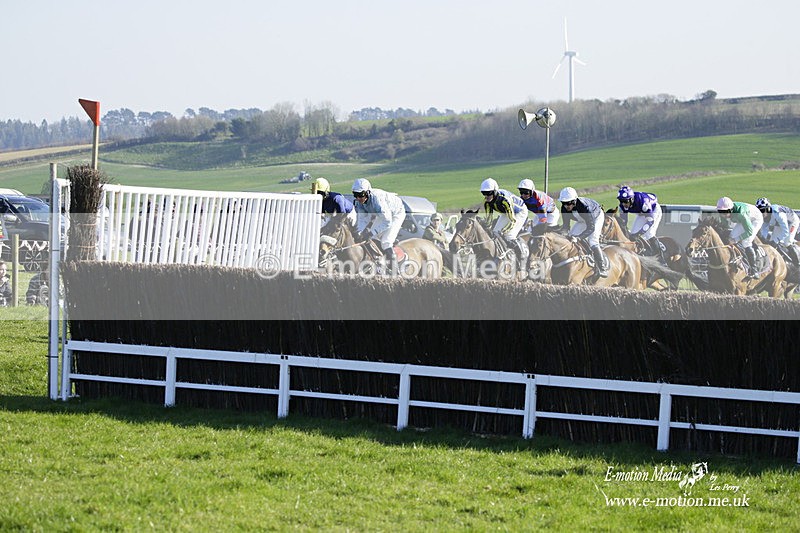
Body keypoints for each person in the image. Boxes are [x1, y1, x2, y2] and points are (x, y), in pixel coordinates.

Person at [352, 178, 406, 263]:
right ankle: (379, 261)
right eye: (355, 194)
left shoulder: (377, 200)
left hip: (396, 213)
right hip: (383, 215)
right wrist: (359, 233)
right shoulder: (359, 202)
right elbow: (362, 220)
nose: (358, 198)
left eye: (361, 194)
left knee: (386, 241)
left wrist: (371, 232)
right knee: (372, 239)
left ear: (368, 193)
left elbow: (388, 222)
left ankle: (395, 271)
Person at [480, 178, 529, 271]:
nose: (486, 196)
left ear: (495, 191)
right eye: (484, 193)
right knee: (494, 232)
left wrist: (504, 231)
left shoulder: (505, 200)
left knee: (509, 235)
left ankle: (522, 261)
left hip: (519, 212)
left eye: (489, 193)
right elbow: (488, 220)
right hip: (506, 213)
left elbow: (513, 220)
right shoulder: (487, 202)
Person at [558, 187, 607, 277]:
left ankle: (602, 267)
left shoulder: (584, 207)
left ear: (574, 201)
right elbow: (566, 226)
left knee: (592, 241)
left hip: (596, 218)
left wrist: (579, 237)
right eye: (564, 203)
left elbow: (591, 228)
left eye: (569, 203)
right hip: (581, 219)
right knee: (570, 237)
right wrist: (562, 234)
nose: (566, 206)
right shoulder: (564, 208)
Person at [716, 197, 764, 276]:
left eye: (725, 212)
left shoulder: (741, 214)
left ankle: (754, 270)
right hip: (743, 220)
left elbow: (749, 231)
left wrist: (736, 240)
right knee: (731, 236)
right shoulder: (723, 214)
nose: (723, 215)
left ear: (731, 209)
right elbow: (724, 226)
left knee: (746, 242)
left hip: (755, 219)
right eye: (720, 212)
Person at [616, 186, 663, 260]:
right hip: (641, 213)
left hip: (653, 211)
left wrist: (639, 234)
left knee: (649, 234)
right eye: (621, 201)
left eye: (625, 201)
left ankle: (661, 258)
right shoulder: (622, 206)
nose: (623, 203)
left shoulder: (643, 203)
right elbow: (623, 223)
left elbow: (650, 221)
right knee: (633, 233)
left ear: (631, 199)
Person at [755, 197, 800, 265]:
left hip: (792, 222)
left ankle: (797, 263)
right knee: (772, 242)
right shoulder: (764, 217)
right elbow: (764, 231)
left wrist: (776, 241)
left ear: (768, 208)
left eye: (762, 210)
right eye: (759, 211)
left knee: (787, 242)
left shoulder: (777, 213)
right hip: (779, 224)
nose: (761, 213)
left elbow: (785, 231)